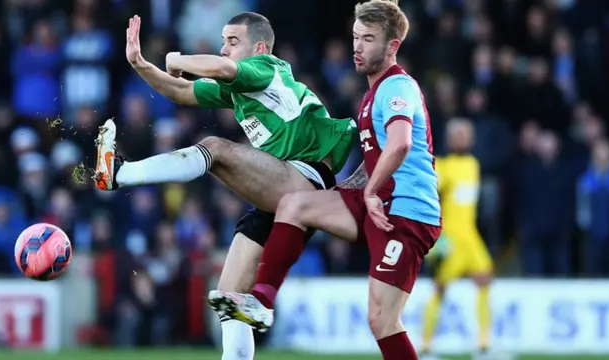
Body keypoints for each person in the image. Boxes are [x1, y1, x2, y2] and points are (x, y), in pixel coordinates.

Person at [93, 13, 356, 360]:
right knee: (230, 300)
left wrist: (178, 59)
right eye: (223, 41)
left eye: (233, 42)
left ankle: (119, 174)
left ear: (258, 48)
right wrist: (140, 64)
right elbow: (183, 90)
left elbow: (220, 69)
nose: (223, 49)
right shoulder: (241, 91)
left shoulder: (267, 68)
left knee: (215, 148)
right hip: (277, 192)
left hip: (304, 180)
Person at [208, 1, 441, 359]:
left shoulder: (397, 88)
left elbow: (400, 144)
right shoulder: (371, 95)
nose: (357, 47)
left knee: (382, 320)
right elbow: (374, 160)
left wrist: (372, 191)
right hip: (377, 201)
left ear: (392, 47)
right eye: (355, 37)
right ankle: (261, 302)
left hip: (408, 212)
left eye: (368, 39)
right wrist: (349, 189)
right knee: (296, 203)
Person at [420, 118, 494, 360]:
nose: (464, 138)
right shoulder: (442, 166)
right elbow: (431, 198)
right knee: (440, 288)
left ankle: (483, 346)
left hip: (470, 235)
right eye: (459, 134)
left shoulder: (473, 164)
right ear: (450, 138)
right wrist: (435, 239)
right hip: (450, 237)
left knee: (484, 279)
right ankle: (426, 347)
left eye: (467, 134)